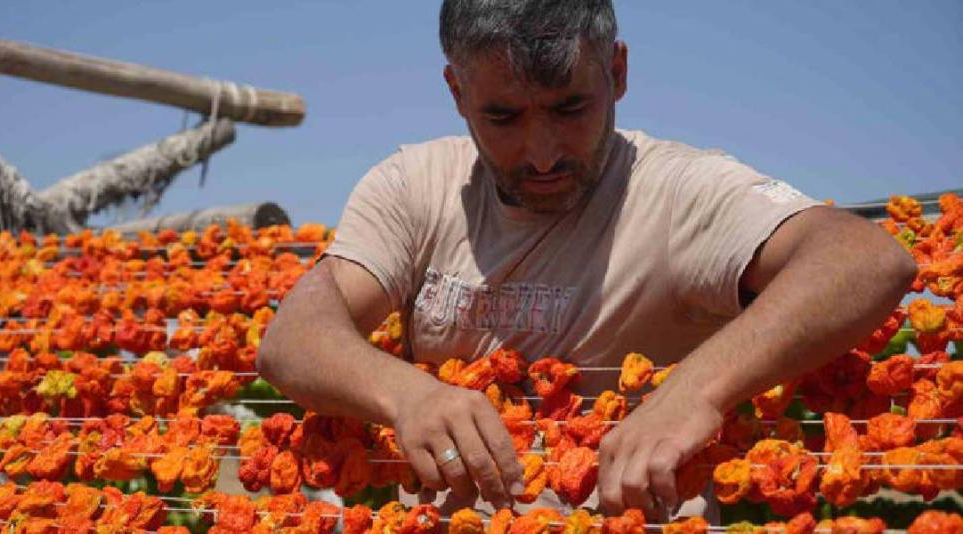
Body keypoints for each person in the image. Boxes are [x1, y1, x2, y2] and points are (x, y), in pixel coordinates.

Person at [257, 0, 916, 521]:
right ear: (457, 93)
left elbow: (865, 259)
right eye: (503, 118)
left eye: (570, 108)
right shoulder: (415, 187)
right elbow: (294, 339)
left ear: (618, 73)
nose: (541, 152)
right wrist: (409, 396)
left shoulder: (679, 193)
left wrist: (693, 393)